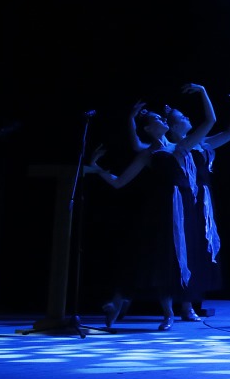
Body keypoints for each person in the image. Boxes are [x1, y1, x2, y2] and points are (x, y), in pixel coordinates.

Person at [86, 84, 217, 330]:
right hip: (160, 211)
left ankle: (130, 304)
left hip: (183, 209)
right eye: (157, 119)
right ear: (148, 129)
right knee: (160, 260)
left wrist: (202, 92)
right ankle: (166, 314)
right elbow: (119, 182)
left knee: (177, 258)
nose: (162, 119)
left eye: (162, 117)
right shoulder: (149, 153)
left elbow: (210, 121)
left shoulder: (181, 146)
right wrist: (98, 169)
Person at [127, 89, 230, 320]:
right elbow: (139, 147)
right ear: (173, 126)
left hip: (201, 200)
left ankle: (188, 305)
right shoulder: (176, 147)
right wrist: (133, 120)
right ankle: (177, 307)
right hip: (182, 199)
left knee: (195, 250)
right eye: (182, 117)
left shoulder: (201, 143)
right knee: (178, 250)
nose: (188, 118)